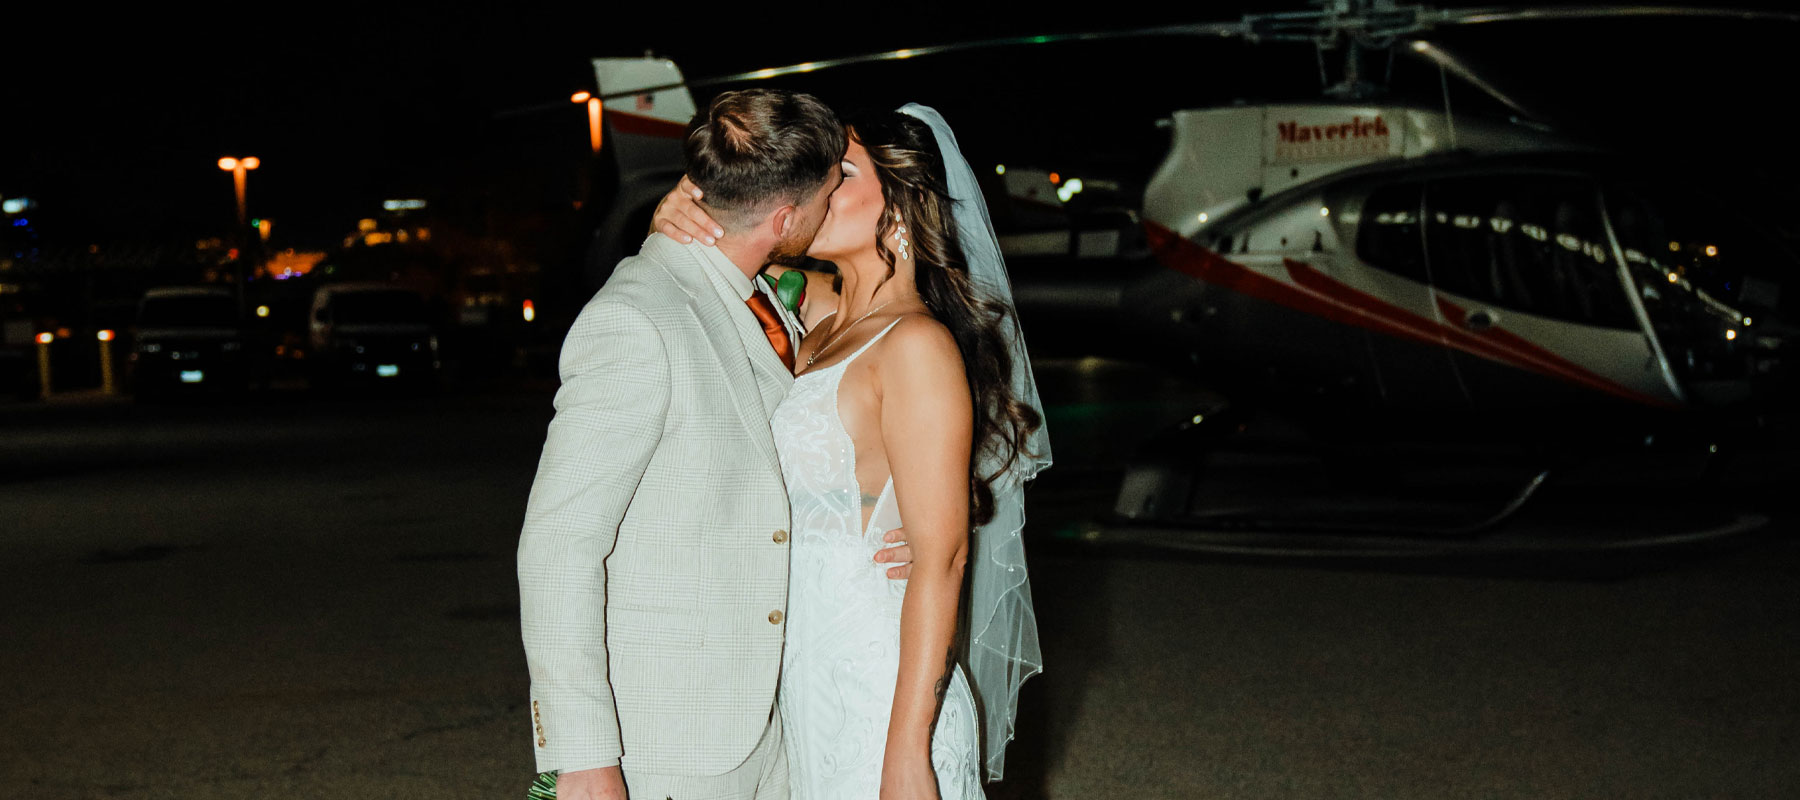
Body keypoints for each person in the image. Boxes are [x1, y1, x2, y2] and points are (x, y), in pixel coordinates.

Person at [517, 87, 915, 800]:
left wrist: (901, 517)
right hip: (668, 744)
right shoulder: (636, 322)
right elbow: (558, 543)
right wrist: (581, 757)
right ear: (787, 216)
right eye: (829, 191)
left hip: (779, 721)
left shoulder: (768, 297)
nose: (832, 206)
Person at [655, 104, 1051, 799]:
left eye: (839, 172)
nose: (815, 186)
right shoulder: (812, 313)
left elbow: (944, 556)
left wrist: (906, 753)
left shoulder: (916, 346)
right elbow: (733, 243)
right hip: (807, 679)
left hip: (880, 691)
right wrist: (678, 211)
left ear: (902, 201)